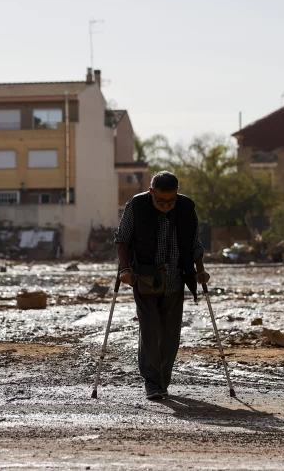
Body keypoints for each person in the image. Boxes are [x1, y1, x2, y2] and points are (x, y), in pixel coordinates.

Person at [114, 171, 210, 400]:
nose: (166, 206)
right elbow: (123, 239)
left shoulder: (186, 207)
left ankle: (162, 380)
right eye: (161, 201)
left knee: (169, 333)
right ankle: (152, 381)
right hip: (144, 278)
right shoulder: (135, 206)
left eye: (171, 201)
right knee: (150, 329)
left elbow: (194, 242)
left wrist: (201, 269)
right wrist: (125, 269)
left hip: (176, 278)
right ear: (151, 192)